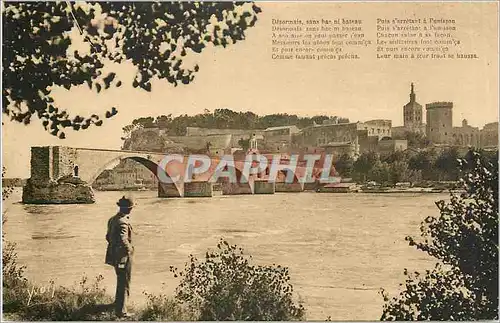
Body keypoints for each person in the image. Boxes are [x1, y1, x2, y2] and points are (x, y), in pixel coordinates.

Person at [105, 196, 135, 318]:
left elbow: (107, 237)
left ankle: (118, 304)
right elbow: (123, 240)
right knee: (124, 282)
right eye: (131, 208)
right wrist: (129, 250)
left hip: (114, 255)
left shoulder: (112, 219)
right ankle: (121, 312)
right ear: (128, 209)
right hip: (123, 256)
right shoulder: (123, 221)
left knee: (120, 280)